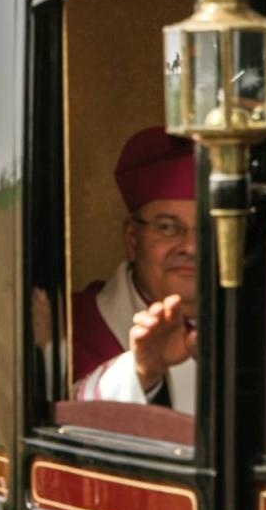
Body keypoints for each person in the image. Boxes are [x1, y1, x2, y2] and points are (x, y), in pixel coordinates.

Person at [72, 127, 196, 411]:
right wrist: (142, 372)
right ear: (132, 238)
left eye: (208, 229)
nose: (191, 247)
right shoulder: (72, 325)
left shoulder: (264, 324)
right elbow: (59, 425)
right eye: (167, 227)